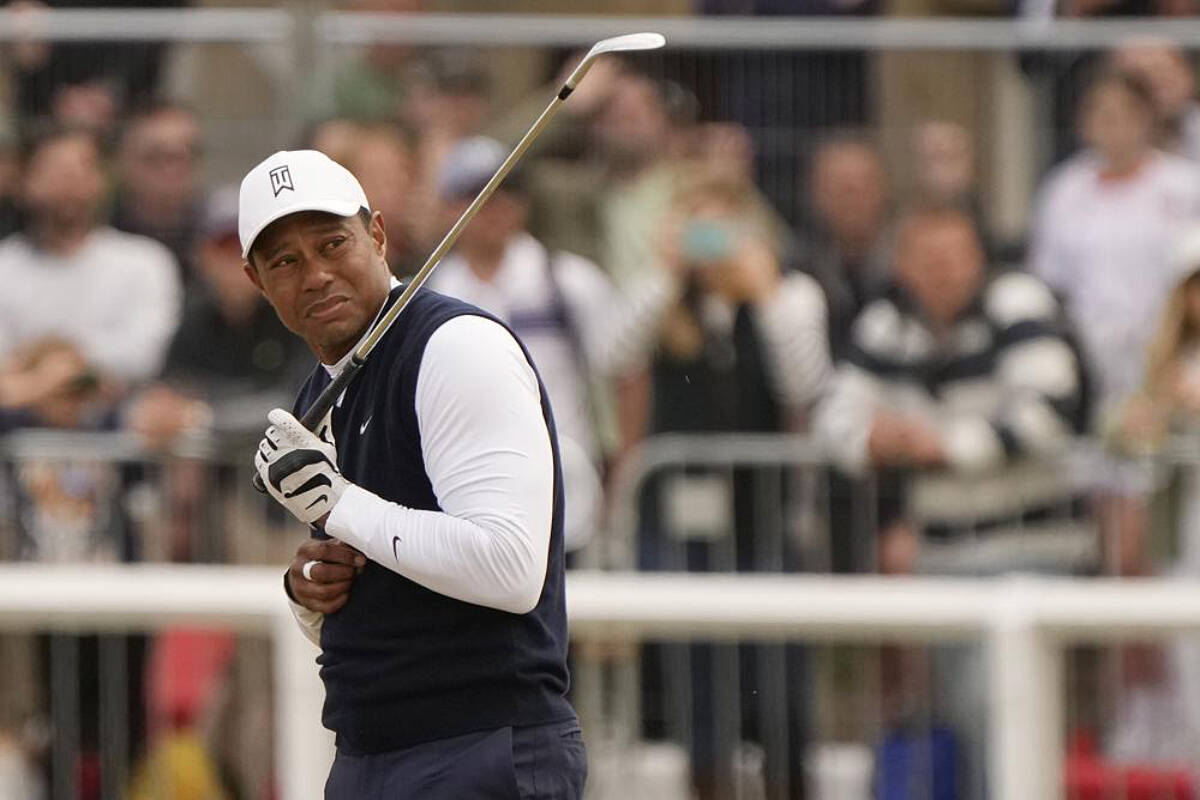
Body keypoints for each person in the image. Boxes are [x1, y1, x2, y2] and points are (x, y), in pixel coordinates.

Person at [240, 149, 584, 798]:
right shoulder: (323, 385)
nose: (314, 275)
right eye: (285, 261)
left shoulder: (454, 345)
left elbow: (509, 569)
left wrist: (335, 502)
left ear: (376, 235)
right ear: (256, 280)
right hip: (372, 752)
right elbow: (392, 573)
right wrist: (311, 594)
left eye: (332, 243)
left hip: (477, 748)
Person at [428, 136, 673, 550]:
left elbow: (628, 373)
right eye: (478, 195)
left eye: (508, 192)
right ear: (450, 206)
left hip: (566, 496)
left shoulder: (571, 282)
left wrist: (622, 483)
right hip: (459, 498)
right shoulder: (431, 295)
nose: (496, 206)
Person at [1029, 69, 1200, 419]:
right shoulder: (1063, 190)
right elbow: (1048, 279)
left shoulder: (1184, 186)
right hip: (1085, 348)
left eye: (1123, 114)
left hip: (1166, 347)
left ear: (1147, 118)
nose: (1112, 126)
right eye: (1101, 114)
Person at [0, 125, 182, 423]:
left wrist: (55, 367)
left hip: (120, 434)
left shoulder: (145, 262)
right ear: (25, 181)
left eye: (82, 169)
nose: (71, 184)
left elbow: (142, 355)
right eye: (56, 171)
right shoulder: (4, 267)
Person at [800, 132, 893, 358]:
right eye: (838, 187)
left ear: (883, 190)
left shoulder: (907, 267)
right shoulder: (797, 269)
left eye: (861, 186)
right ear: (815, 195)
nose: (851, 199)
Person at [111, 101, 205, 280]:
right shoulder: (95, 239)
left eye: (187, 155)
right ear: (122, 162)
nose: (174, 170)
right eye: (156, 157)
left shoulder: (221, 239)